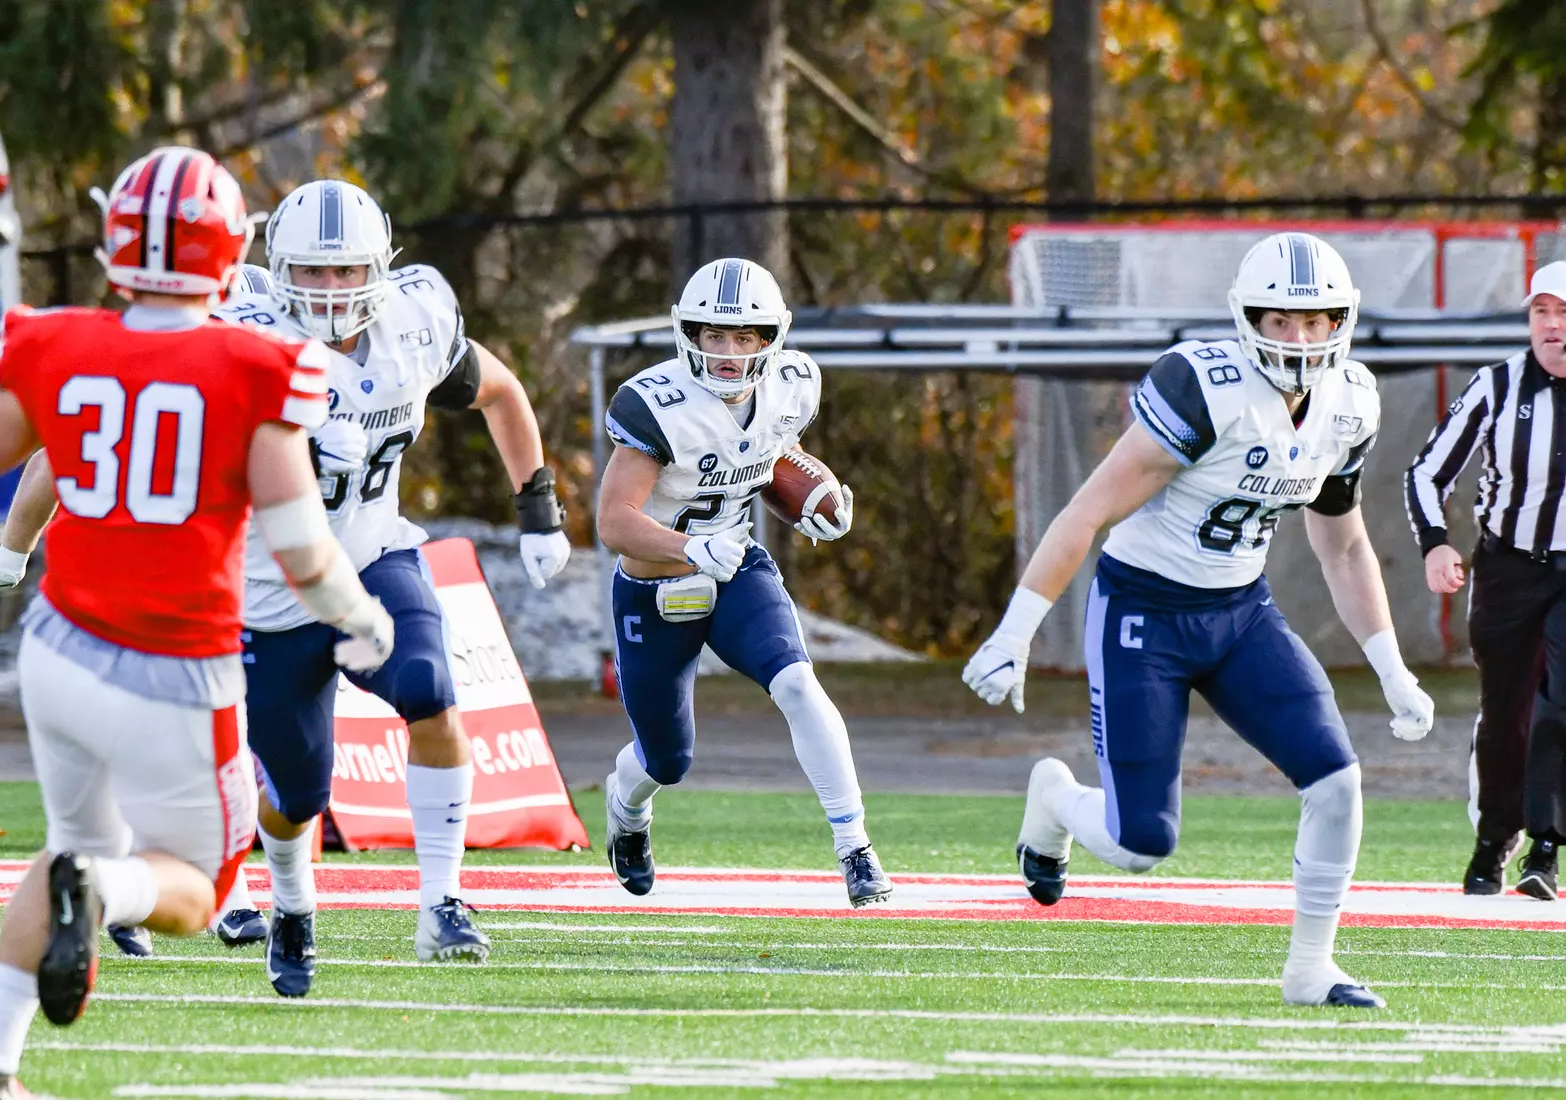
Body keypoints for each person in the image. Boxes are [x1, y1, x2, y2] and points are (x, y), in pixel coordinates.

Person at [0, 179, 573, 998]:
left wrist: (538, 507)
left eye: (347, 271)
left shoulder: (415, 323)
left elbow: (500, 390)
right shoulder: (229, 336)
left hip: (370, 557)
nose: (330, 291)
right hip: (261, 592)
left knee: (433, 695)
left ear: (381, 266)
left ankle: (444, 905)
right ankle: (291, 905)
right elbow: (78, 440)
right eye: (311, 274)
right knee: (295, 791)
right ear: (273, 269)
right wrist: (15, 544)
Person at [0, 146, 393, 1100]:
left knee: (67, 845)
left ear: (114, 246)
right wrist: (362, 616)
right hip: (175, 666)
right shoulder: (257, 367)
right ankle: (104, 896)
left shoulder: (59, 346)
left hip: (56, 652)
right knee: (196, 886)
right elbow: (302, 550)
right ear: (232, 255)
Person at [962, 232, 1435, 1009]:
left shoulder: (1350, 400)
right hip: (1144, 610)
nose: (1301, 338)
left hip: (1239, 612)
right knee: (1141, 843)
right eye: (1282, 320)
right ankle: (1054, 799)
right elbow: (1088, 511)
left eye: (1318, 321)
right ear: (1247, 318)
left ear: (1342, 322)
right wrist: (1015, 631)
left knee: (1339, 781)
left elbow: (1344, 545)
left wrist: (1392, 670)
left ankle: (1311, 969)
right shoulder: (1203, 387)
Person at [595, 257, 890, 908]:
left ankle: (855, 847)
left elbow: (766, 455)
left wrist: (816, 498)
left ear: (771, 338)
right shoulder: (657, 405)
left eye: (746, 337)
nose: (729, 353)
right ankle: (627, 810)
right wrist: (688, 545)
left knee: (796, 681)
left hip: (735, 568)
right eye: (715, 336)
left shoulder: (793, 384)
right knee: (666, 760)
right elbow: (614, 522)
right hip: (656, 586)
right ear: (689, 334)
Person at [1405, 260, 1566, 901]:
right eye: (1541, 313)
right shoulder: (1496, 388)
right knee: (1507, 714)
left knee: (1561, 701)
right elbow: (1426, 471)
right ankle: (1493, 841)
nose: (1553, 327)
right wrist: (1435, 542)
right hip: (1507, 568)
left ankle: (1546, 850)